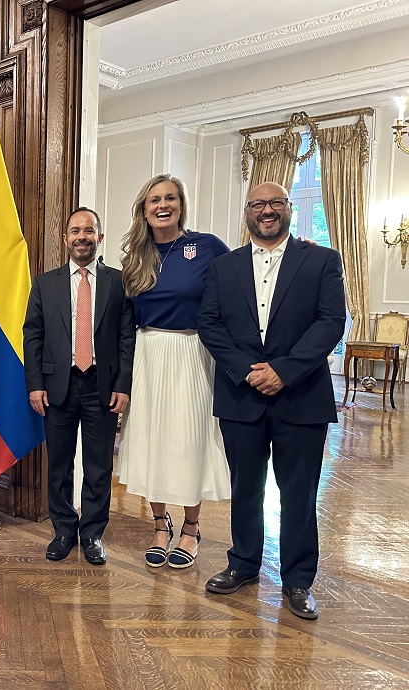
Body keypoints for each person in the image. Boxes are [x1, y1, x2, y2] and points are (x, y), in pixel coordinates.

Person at [198, 182, 345, 620]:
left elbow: (330, 321)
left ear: (287, 210)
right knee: (245, 488)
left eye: (275, 203)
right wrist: (247, 369)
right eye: (258, 204)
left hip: (301, 396)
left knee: (298, 492)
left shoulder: (320, 260)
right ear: (247, 212)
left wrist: (285, 370)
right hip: (241, 394)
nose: (267, 210)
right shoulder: (224, 267)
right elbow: (210, 323)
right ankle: (242, 564)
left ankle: (298, 579)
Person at [116, 174, 232, 569]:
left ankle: (190, 527)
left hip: (191, 353)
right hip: (148, 354)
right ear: (144, 210)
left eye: (170, 198)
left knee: (188, 441)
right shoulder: (135, 256)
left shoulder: (207, 247)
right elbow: (126, 323)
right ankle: (160, 525)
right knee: (152, 441)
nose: (162, 205)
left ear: (181, 204)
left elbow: (239, 291)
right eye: (154, 200)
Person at [23, 207, 135, 565]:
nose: (82, 237)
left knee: (99, 465)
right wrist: (35, 384)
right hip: (58, 385)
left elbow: (125, 337)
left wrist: (123, 383)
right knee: (58, 463)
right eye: (75, 231)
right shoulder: (45, 283)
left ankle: (92, 534)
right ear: (66, 238)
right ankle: (63, 530)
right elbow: (33, 335)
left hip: (102, 385)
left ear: (99, 237)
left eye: (89, 230)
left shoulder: (119, 282)